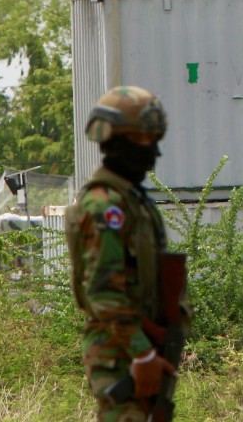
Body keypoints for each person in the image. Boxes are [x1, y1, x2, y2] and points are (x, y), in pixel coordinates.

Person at [65, 85, 186, 421]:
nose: (154, 152)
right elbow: (102, 291)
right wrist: (141, 354)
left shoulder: (132, 200)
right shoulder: (106, 204)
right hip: (121, 354)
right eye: (145, 139)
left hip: (141, 346)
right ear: (116, 141)